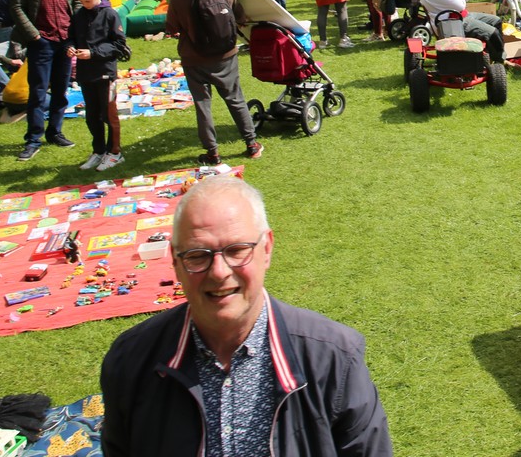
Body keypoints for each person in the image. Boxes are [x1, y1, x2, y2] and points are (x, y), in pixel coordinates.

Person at [100, 177, 392, 457]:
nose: (219, 272)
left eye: (237, 250)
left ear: (267, 249)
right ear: (175, 262)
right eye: (198, 255)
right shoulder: (130, 361)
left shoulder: (334, 359)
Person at [166, 0, 262, 165]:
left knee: (203, 105)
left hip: (193, 58)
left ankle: (213, 153)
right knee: (235, 99)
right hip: (225, 54)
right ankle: (251, 144)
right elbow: (239, 14)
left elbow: (172, 27)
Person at [9, 0, 78, 161]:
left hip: (65, 40)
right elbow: (16, 7)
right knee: (38, 92)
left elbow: (76, 2)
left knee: (61, 90)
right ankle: (33, 139)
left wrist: (74, 33)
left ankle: (55, 132)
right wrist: (34, 35)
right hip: (42, 41)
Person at [69, 0, 127, 172]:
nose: (85, 5)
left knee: (109, 114)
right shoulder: (79, 15)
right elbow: (70, 37)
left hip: (105, 72)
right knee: (92, 115)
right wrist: (69, 47)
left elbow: (119, 45)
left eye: (88, 1)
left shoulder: (110, 14)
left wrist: (93, 53)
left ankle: (115, 152)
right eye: (82, 2)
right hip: (86, 73)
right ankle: (99, 151)